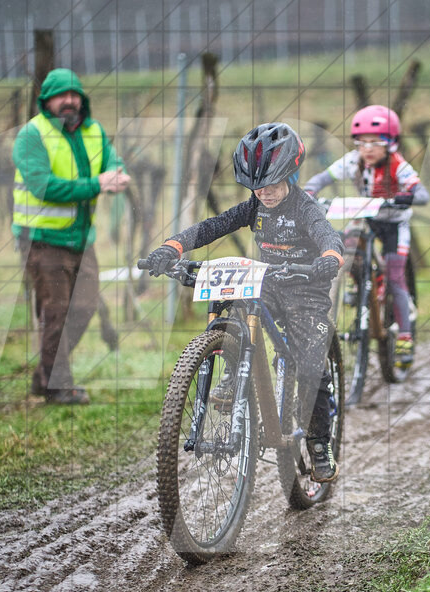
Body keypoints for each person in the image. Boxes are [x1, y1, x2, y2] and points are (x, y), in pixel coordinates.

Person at [146, 122, 344, 482]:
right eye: (255, 187)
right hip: (268, 281)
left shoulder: (304, 207)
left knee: (310, 368)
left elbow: (327, 235)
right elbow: (212, 226)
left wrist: (329, 256)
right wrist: (171, 247)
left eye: (270, 185)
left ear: (290, 174)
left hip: (304, 286)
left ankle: (318, 442)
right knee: (234, 298)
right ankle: (232, 369)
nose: (263, 194)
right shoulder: (254, 206)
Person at [12, 67, 131, 405]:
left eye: (74, 94)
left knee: (85, 306)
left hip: (81, 240)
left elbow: (113, 164)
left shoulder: (93, 131)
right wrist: (97, 184)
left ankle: (44, 377)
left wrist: (118, 176)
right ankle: (57, 385)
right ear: (46, 101)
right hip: (41, 240)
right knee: (57, 311)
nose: (69, 100)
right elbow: (43, 185)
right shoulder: (32, 136)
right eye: (61, 95)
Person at [303, 105, 429, 369]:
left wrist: (406, 197)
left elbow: (422, 194)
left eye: (376, 142)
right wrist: (307, 193)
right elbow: (320, 179)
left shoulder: (398, 165)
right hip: (367, 216)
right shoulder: (352, 161)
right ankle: (357, 281)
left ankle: (405, 334)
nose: (368, 149)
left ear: (391, 144)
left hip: (394, 223)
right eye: (362, 143)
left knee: (395, 276)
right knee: (345, 246)